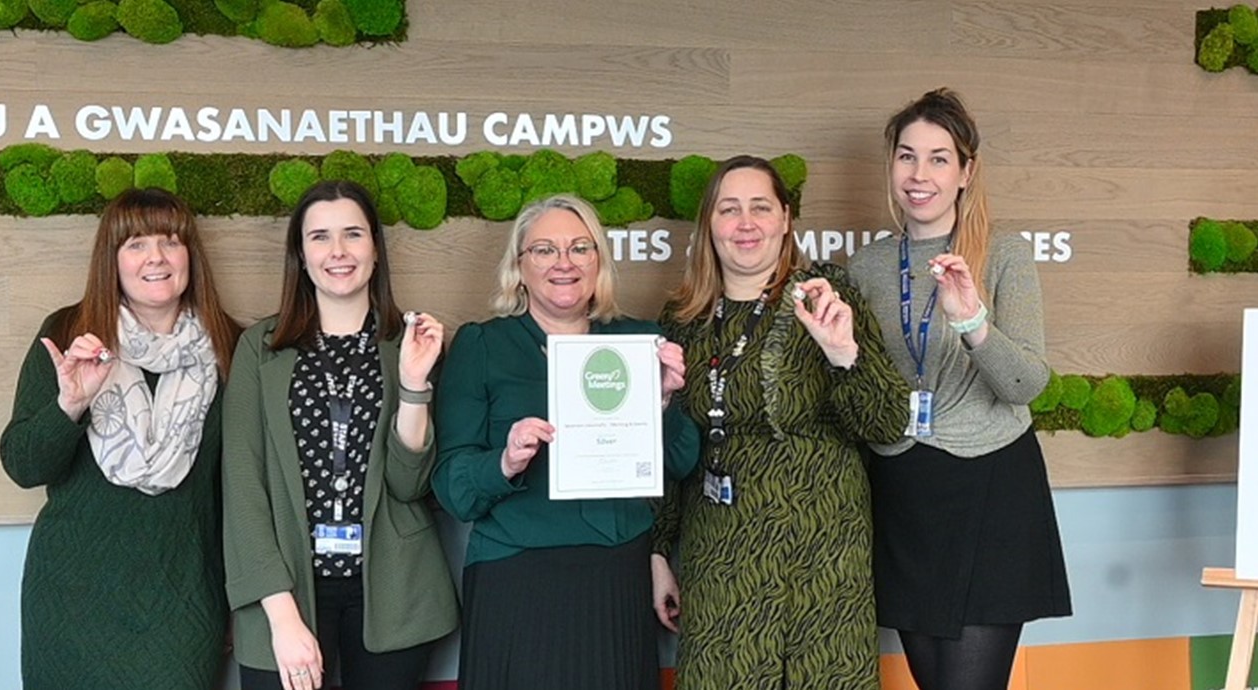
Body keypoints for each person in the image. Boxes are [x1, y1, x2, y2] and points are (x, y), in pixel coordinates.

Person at [649, 156, 911, 690]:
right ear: (710, 224)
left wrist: (845, 355)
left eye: (760, 207)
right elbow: (667, 445)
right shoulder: (682, 320)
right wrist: (658, 550)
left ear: (786, 219)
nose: (746, 223)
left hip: (822, 556)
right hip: (722, 560)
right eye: (729, 209)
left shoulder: (824, 295)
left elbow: (887, 422)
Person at [846, 88, 1072, 690]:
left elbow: (1025, 382)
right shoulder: (865, 268)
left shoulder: (1003, 255)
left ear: (966, 171)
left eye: (939, 158)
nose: (920, 175)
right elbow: (860, 392)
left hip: (991, 488)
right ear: (891, 164)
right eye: (907, 156)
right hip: (903, 491)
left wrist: (972, 321)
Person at [432, 194, 700, 690]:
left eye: (580, 248)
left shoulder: (640, 343)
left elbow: (683, 461)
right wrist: (506, 461)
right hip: (516, 579)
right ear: (519, 266)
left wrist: (660, 402)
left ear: (598, 262)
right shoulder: (483, 345)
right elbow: (453, 488)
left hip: (614, 578)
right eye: (544, 250)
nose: (564, 263)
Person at [0, 187, 243, 690]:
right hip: (72, 598)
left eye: (171, 242)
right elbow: (24, 465)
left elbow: (237, 492)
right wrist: (70, 404)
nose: (155, 257)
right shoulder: (71, 332)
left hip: (183, 601)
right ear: (110, 260)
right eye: (134, 244)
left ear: (190, 256)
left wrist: (239, 599)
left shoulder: (229, 345)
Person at [222, 180, 458, 690]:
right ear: (300, 255)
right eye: (320, 237)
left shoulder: (412, 344)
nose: (338, 252)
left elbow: (410, 486)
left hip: (394, 591)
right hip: (285, 590)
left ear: (375, 247)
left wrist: (414, 386)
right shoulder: (259, 349)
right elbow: (242, 487)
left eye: (353, 234)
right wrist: (283, 620)